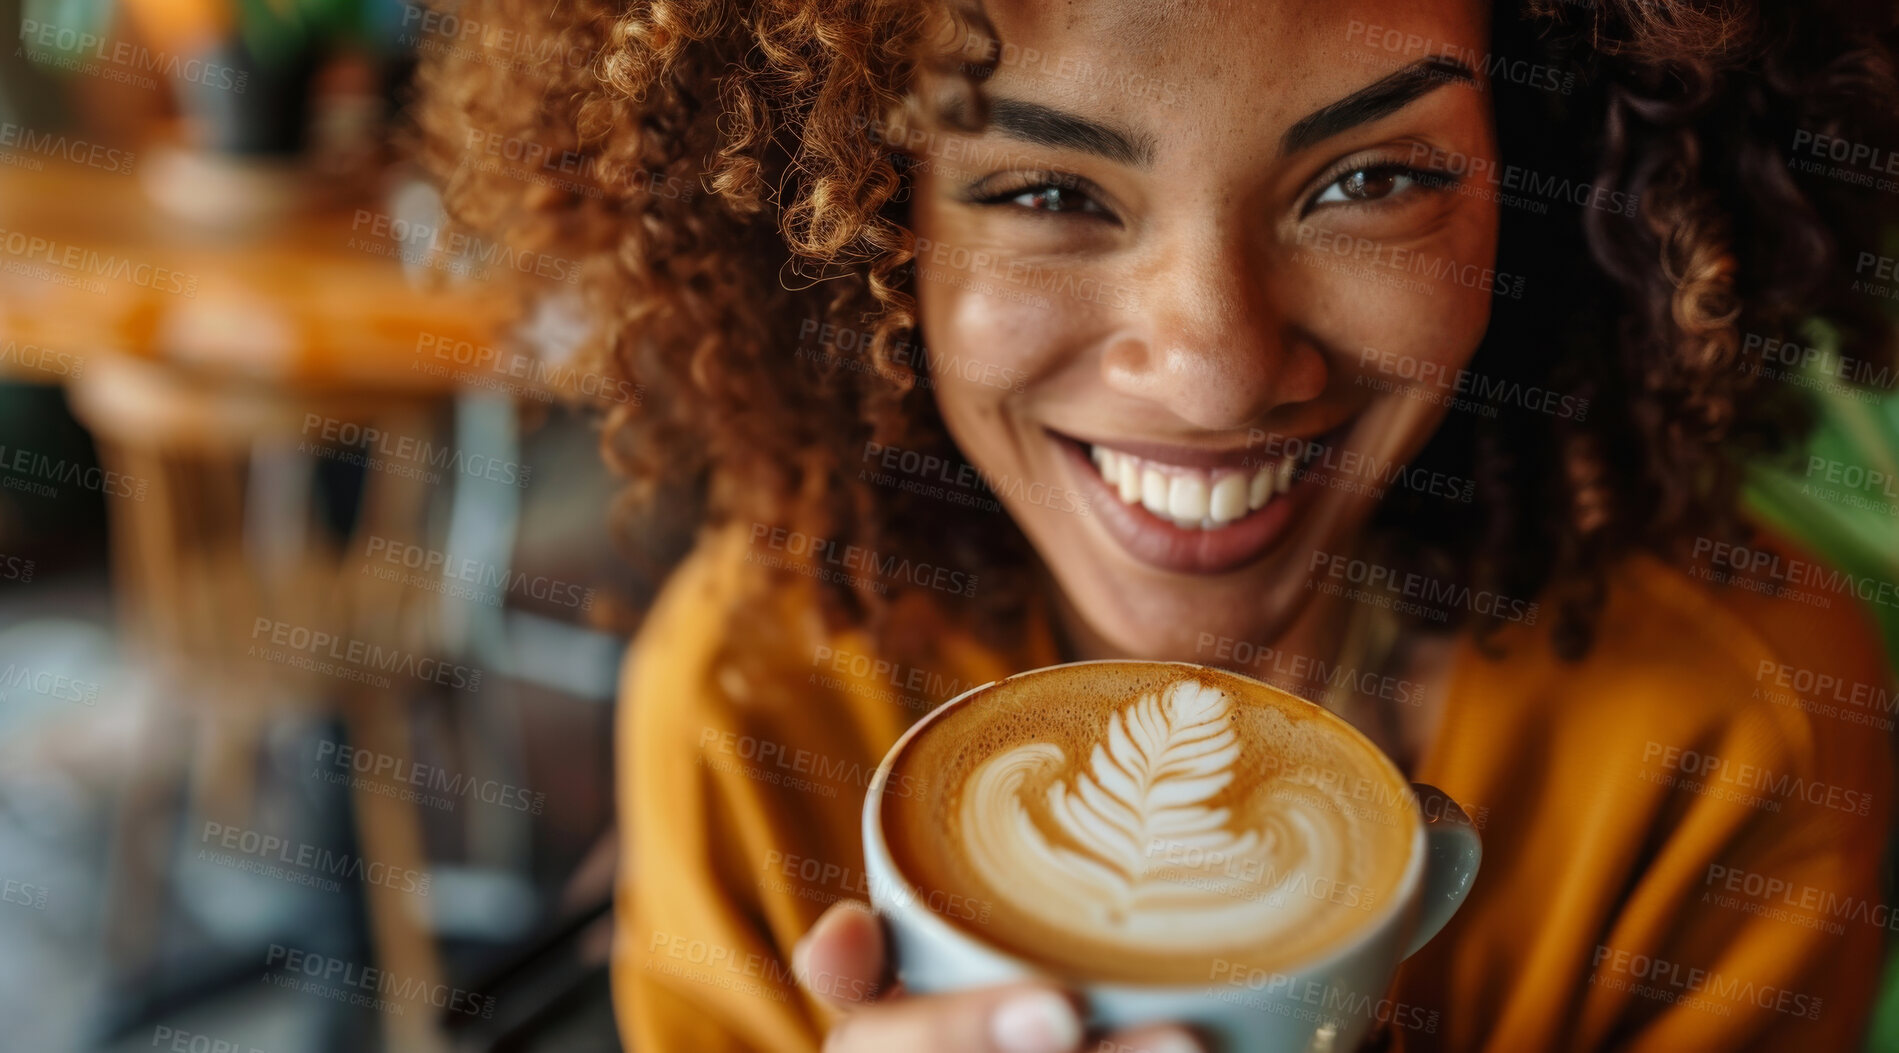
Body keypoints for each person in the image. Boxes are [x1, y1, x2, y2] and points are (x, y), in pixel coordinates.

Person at [415, 0, 1899, 1049]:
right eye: (1051, 186)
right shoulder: (752, 706)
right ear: (871, 218)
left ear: (1564, 173)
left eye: (1373, 179)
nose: (1215, 368)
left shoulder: (1740, 728)